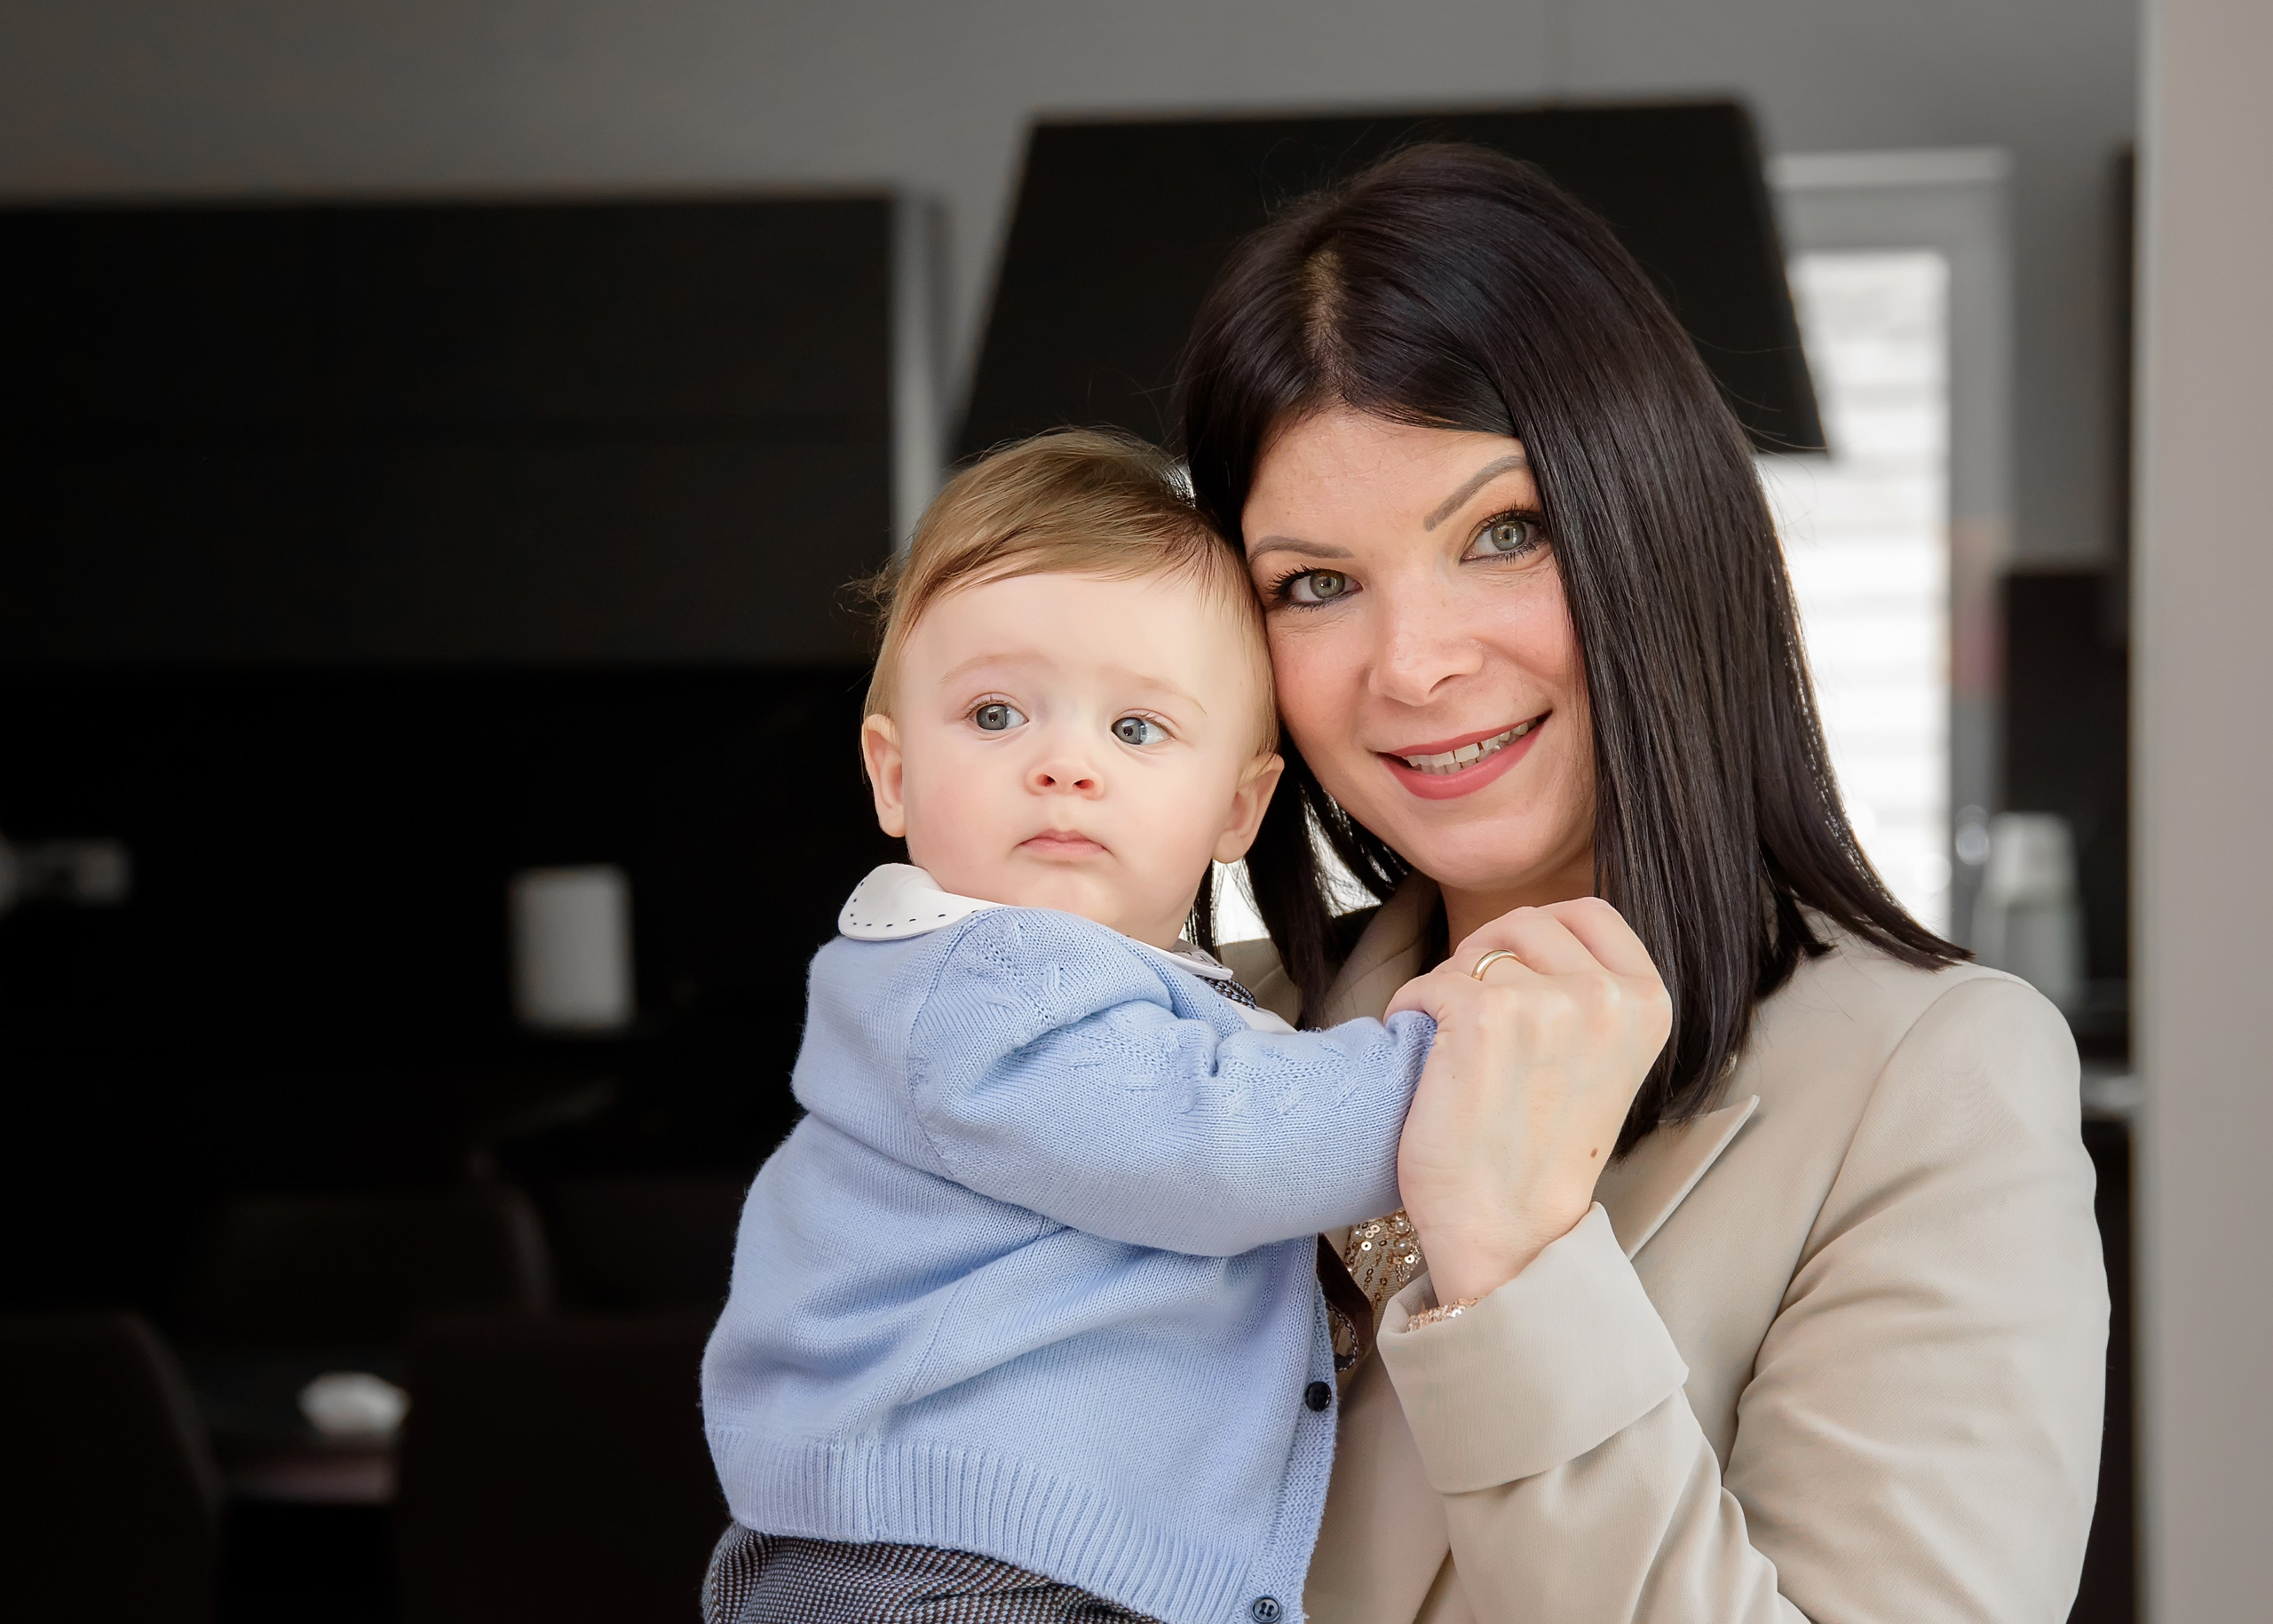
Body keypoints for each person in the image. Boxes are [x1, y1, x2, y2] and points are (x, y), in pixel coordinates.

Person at [1176, 143, 2110, 1622]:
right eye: (1315, 583)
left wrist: (1517, 1266)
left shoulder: (1934, 1081)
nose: (1413, 665)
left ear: (1656, 526)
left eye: (1505, 532)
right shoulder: (1201, 1042)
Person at [698, 430, 1643, 1624]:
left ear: (1238, 804)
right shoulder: (982, 980)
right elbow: (1220, 1142)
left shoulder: (1111, 986)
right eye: (996, 713)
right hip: (952, 1567)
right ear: (891, 773)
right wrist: (1454, 1054)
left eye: (1135, 730)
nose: (1062, 767)